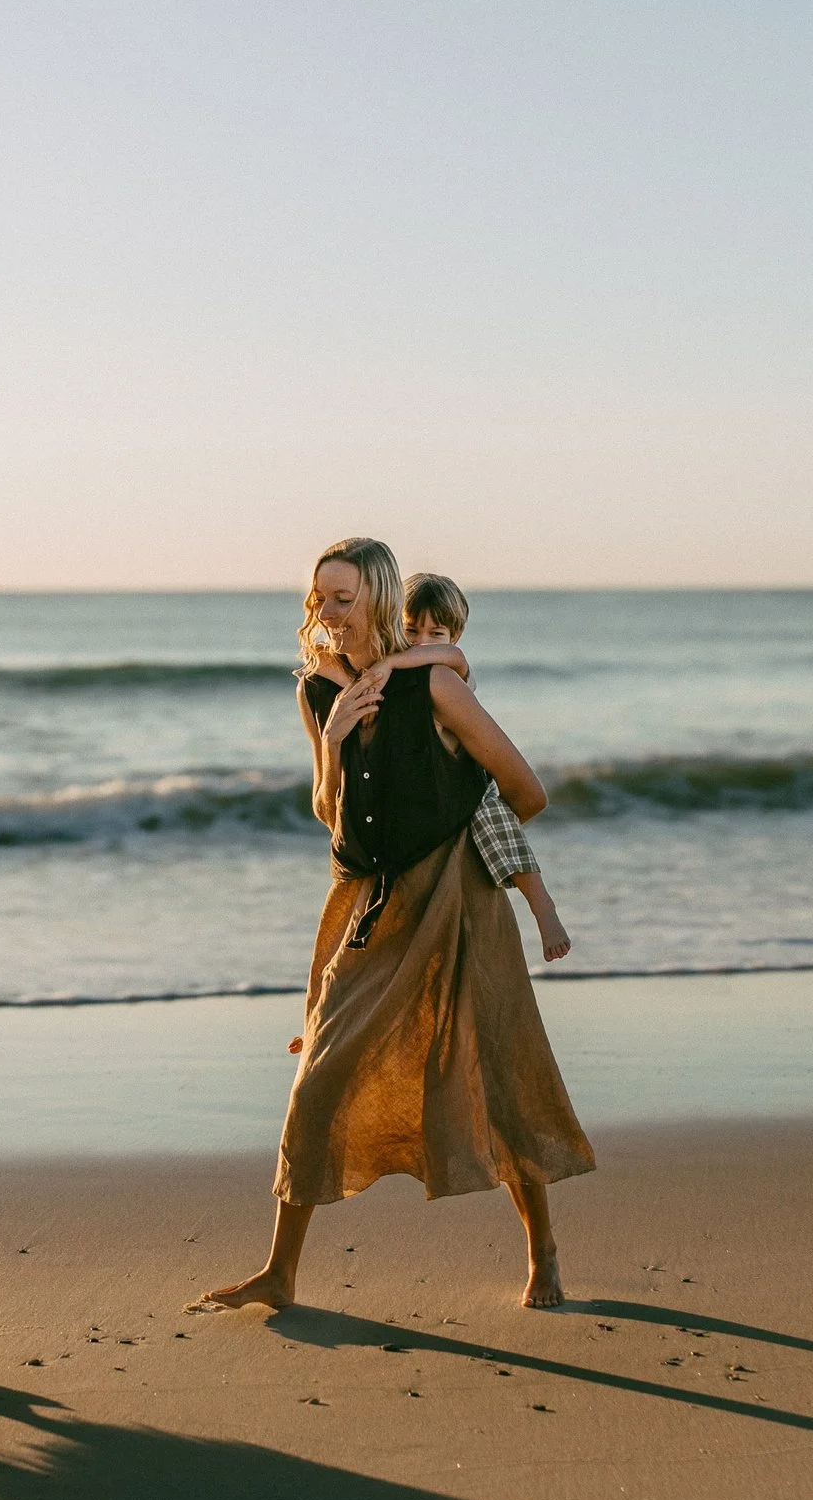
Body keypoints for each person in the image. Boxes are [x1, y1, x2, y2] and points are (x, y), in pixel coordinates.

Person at [209, 538, 594, 1313]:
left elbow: (527, 789)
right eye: (319, 597)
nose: (327, 613)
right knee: (319, 1071)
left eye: (344, 599)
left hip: (455, 896)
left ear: (381, 601)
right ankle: (279, 1273)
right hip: (368, 898)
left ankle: (542, 1250)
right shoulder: (317, 689)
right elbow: (328, 810)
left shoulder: (438, 688)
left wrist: (453, 827)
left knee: (500, 1071)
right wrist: (335, 737)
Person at [318, 570, 571, 963]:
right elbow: (324, 660)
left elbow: (530, 795)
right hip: (415, 822)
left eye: (435, 634)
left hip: (471, 786)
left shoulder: (446, 668)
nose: (422, 643)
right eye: (411, 631)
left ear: (453, 637)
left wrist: (390, 663)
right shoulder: (390, 678)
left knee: (495, 821)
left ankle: (542, 906)